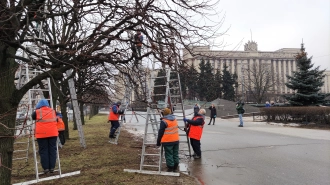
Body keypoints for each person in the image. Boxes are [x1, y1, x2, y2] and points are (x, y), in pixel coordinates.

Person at [31, 99, 58, 174]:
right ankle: (52, 167)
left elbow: (33, 117)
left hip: (41, 134)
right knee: (52, 150)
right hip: (53, 133)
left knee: (43, 151)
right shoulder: (53, 111)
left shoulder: (36, 112)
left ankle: (46, 168)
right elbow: (57, 119)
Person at [156, 108, 179, 172]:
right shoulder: (175, 119)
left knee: (169, 154)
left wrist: (158, 142)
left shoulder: (164, 121)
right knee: (175, 153)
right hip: (176, 140)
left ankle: (170, 167)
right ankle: (176, 166)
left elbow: (160, 132)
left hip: (168, 141)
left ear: (163, 114)